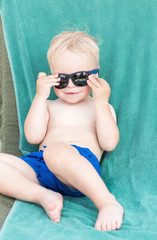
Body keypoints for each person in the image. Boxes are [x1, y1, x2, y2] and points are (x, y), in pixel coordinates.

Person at [0, 30, 124, 231]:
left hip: (78, 167)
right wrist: (40, 97)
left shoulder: (100, 107)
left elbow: (109, 143)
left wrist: (101, 103)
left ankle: (107, 202)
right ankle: (43, 196)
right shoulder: (49, 106)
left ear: (96, 76)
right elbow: (33, 136)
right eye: (62, 80)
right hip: (41, 167)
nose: (70, 85)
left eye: (80, 78)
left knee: (56, 150)